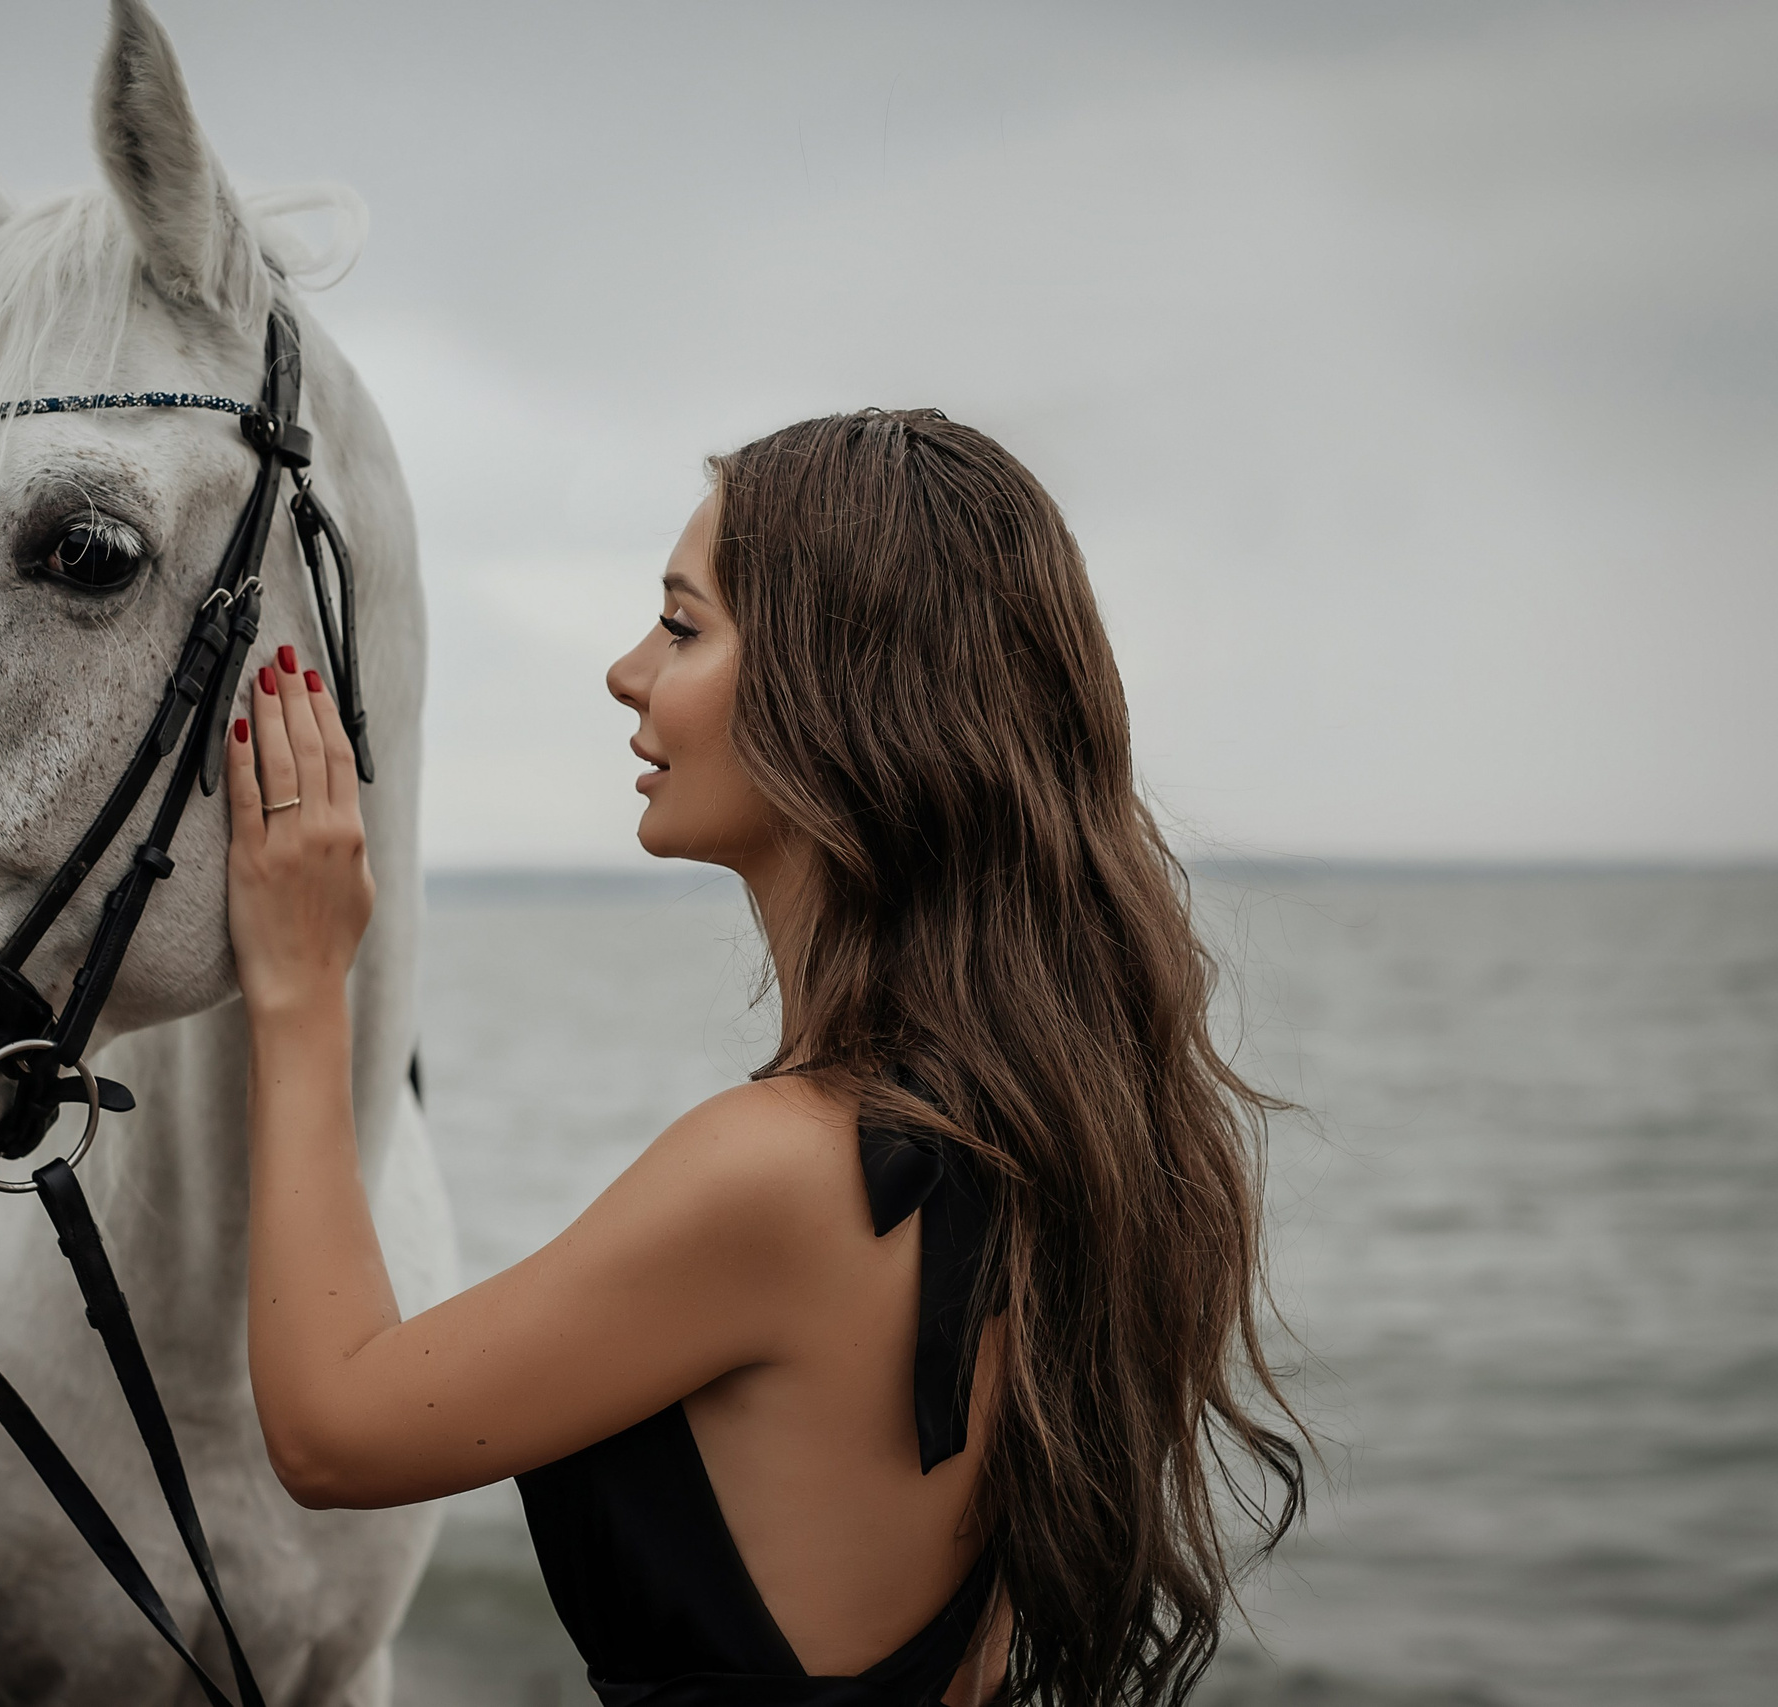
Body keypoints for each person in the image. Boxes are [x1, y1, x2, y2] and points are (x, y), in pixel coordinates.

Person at [220, 408, 1304, 1707]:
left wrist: (299, 986)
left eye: (681, 627)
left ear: (839, 689)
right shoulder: (1041, 1131)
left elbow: (334, 1431)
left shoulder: (785, 1172)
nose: (628, 673)